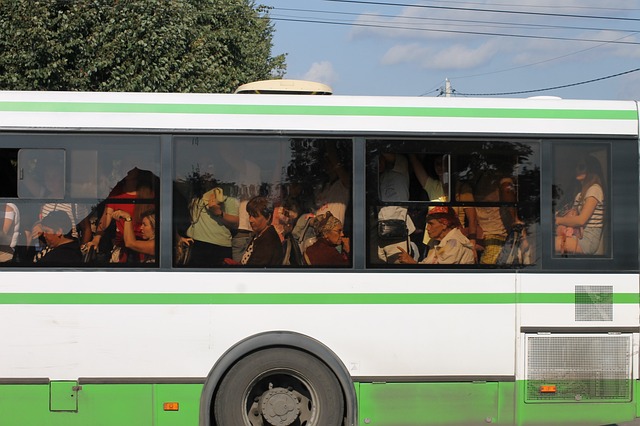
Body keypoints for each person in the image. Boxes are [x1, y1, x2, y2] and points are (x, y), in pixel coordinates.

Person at [85, 168, 157, 263]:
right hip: (123, 247)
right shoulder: (117, 191)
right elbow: (106, 217)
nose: (127, 169)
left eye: (131, 165)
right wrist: (97, 238)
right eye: (125, 165)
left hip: (144, 245)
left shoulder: (149, 193)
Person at [555, 155, 604, 255]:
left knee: (546, 244)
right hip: (577, 233)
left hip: (587, 239)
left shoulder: (594, 189)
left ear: (591, 169)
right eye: (576, 167)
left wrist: (557, 220)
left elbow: (581, 220)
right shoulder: (580, 193)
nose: (577, 170)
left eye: (581, 167)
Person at [180, 186, 239, 266]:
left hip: (217, 246)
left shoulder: (227, 195)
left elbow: (235, 222)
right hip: (194, 243)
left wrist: (219, 213)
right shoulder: (195, 192)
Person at [397, 206, 474, 265]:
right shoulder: (442, 242)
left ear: (444, 224)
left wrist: (412, 262)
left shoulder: (453, 242)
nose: (427, 228)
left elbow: (440, 272)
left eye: (431, 223)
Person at [375, 153, 415, 263]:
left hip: (397, 233)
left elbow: (391, 155)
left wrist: (378, 153)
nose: (377, 164)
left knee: (398, 270)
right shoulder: (379, 178)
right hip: (380, 232)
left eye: (379, 160)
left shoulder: (400, 168)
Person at [239, 196, 283, 266]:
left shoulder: (268, 241)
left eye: (255, 216)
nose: (250, 220)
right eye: (250, 215)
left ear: (268, 217)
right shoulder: (260, 235)